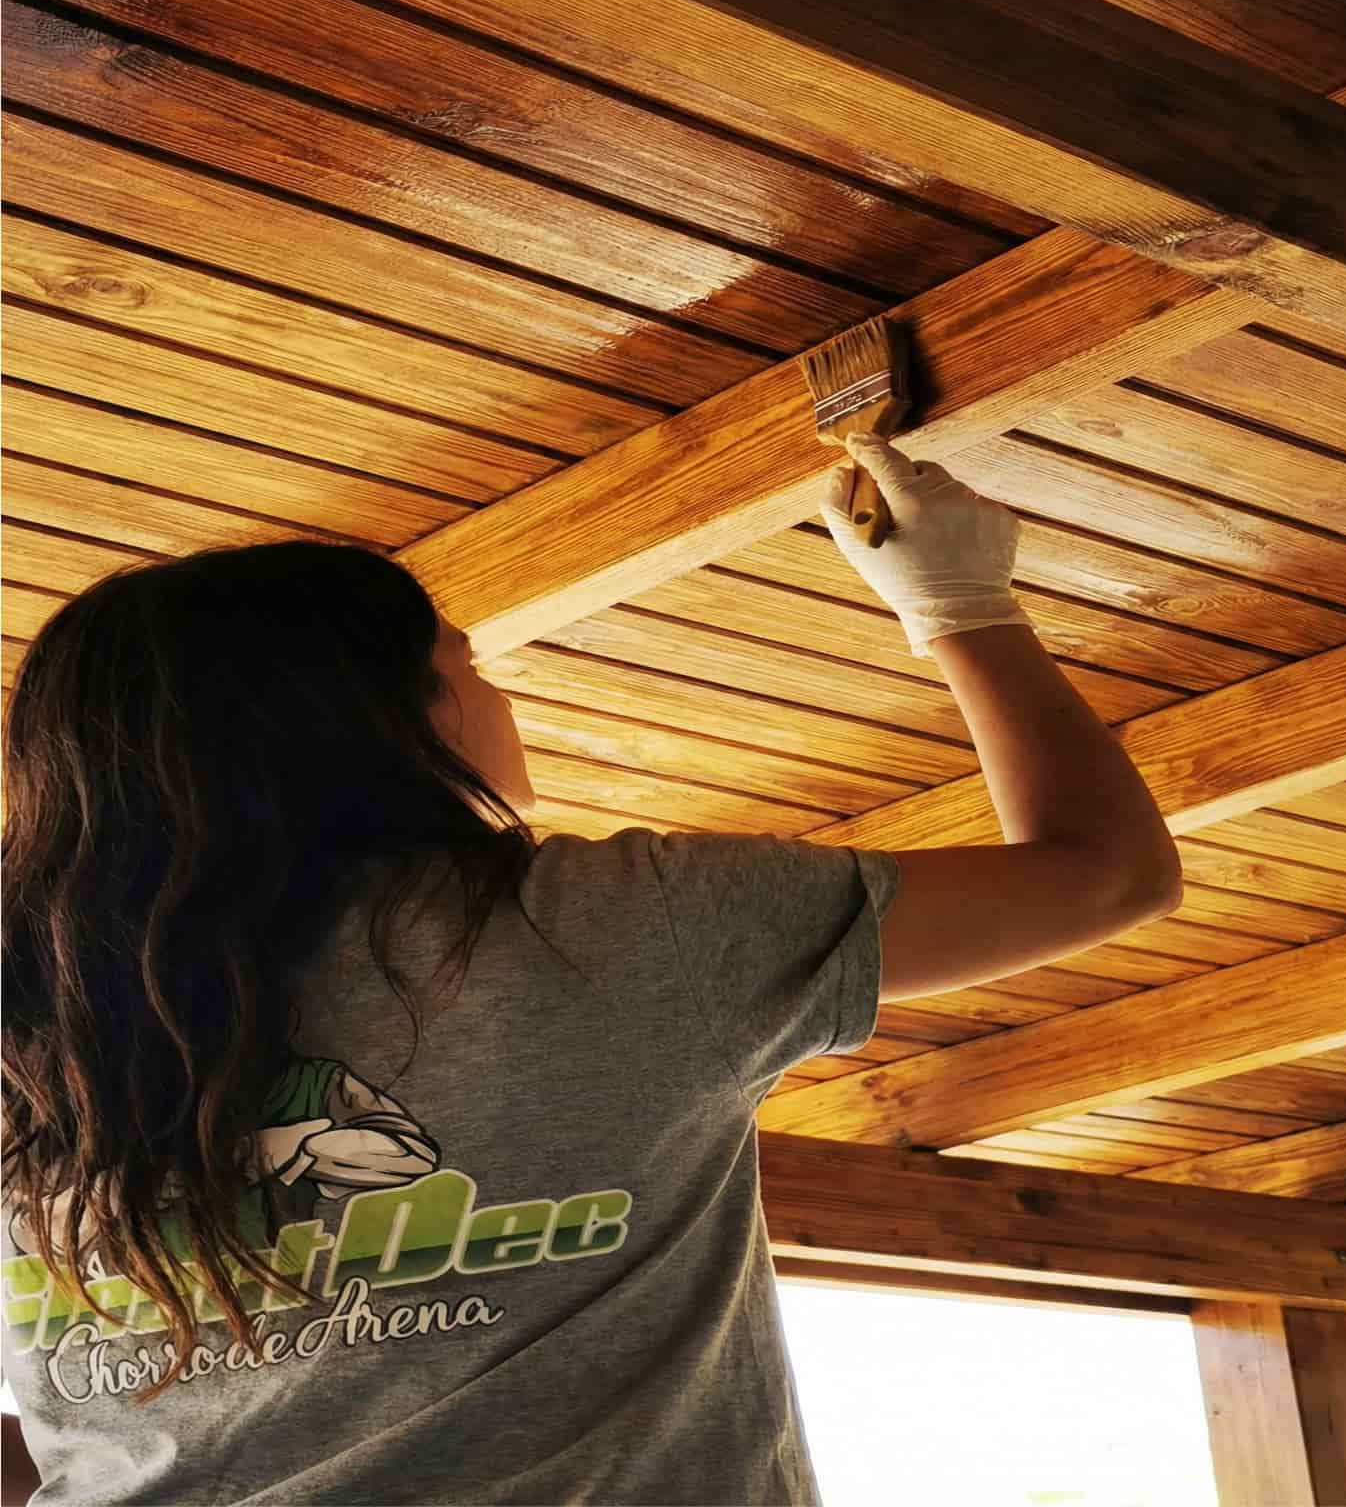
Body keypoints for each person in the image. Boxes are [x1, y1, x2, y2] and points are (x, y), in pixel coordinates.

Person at [0, 433, 1181, 1506]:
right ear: (392, 712)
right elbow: (1103, 876)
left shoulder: (25, 1028)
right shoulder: (622, 921)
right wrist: (960, 602)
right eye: (470, 661)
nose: (501, 691)